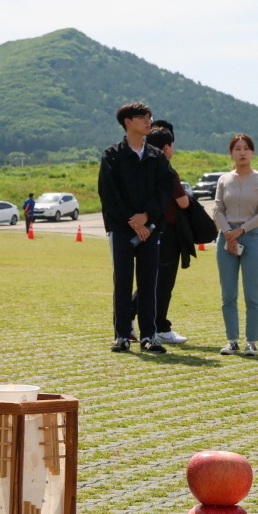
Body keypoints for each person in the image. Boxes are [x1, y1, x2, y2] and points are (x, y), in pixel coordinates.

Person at [99, 100, 177, 353]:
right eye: (143, 117)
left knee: (148, 283)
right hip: (122, 229)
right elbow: (109, 193)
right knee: (122, 281)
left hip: (151, 228)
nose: (148, 121)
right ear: (128, 122)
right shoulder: (112, 155)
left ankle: (149, 336)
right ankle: (122, 335)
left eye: (150, 116)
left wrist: (147, 217)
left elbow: (165, 189)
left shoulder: (156, 157)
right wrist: (133, 222)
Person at [213, 134, 258, 356]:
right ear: (231, 153)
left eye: (246, 148)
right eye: (238, 149)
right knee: (228, 294)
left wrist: (240, 230)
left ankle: (252, 342)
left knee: (252, 294)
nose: (242, 152)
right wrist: (228, 233)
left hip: (252, 237)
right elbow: (217, 208)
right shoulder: (224, 179)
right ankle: (232, 340)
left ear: (253, 152)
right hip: (226, 239)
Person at [141, 121, 195, 344]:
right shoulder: (167, 170)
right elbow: (183, 203)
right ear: (165, 148)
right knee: (163, 282)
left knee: (148, 280)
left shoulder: (141, 169)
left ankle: (128, 322)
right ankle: (159, 327)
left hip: (146, 229)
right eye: (171, 146)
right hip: (167, 232)